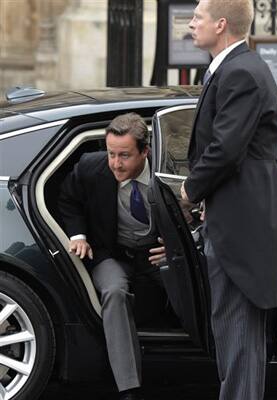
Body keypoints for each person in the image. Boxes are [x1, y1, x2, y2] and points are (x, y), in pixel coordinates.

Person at [181, 1, 277, 399]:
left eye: (198, 17)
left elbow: (226, 148)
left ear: (222, 24)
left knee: (240, 339)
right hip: (234, 221)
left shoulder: (242, 71)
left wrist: (190, 189)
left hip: (241, 232)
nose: (190, 23)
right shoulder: (232, 69)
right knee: (235, 339)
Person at [58, 112, 165, 400]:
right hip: (111, 254)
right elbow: (67, 199)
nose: (116, 163)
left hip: (158, 256)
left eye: (125, 155)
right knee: (114, 292)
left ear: (145, 151)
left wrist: (177, 246)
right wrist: (78, 235)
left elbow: (194, 212)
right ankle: (128, 387)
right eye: (111, 154)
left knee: (192, 286)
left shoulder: (165, 170)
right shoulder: (90, 167)